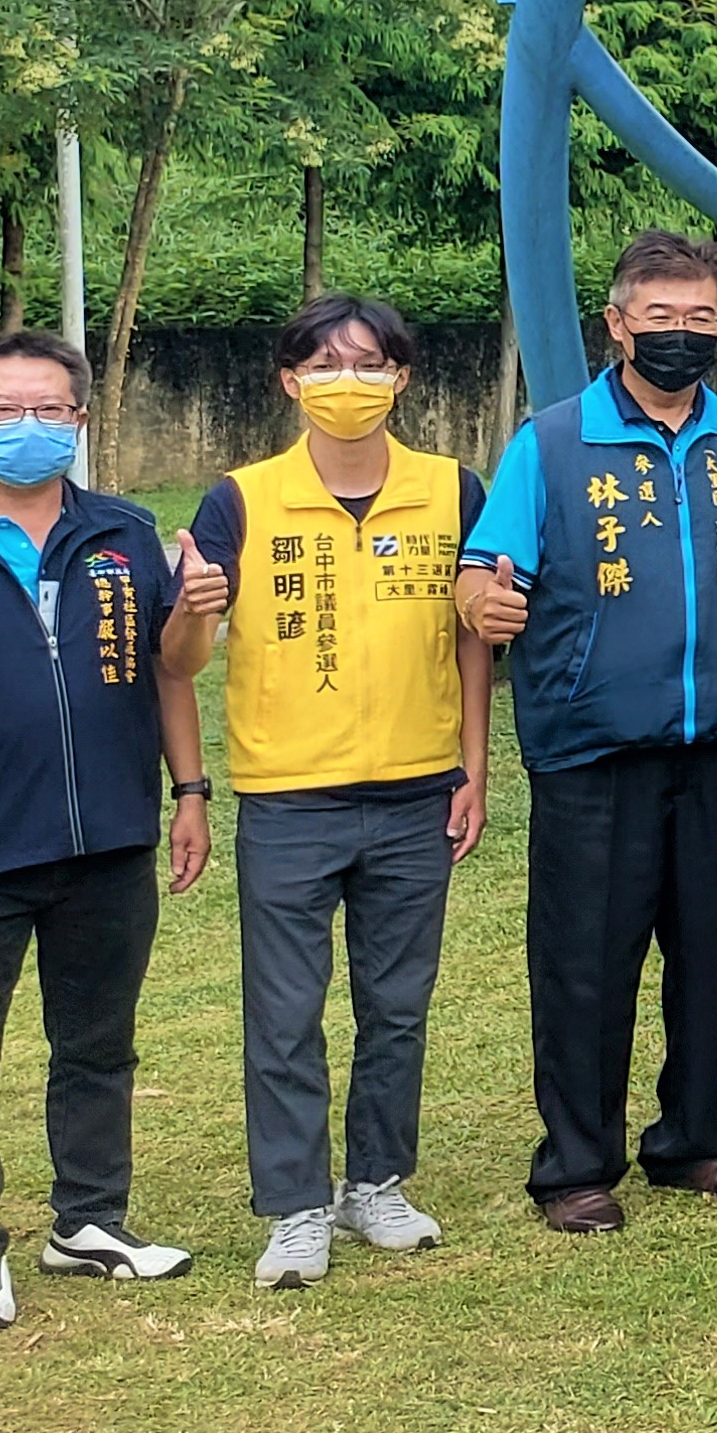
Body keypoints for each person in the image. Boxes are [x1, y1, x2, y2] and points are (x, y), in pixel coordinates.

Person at [456, 231, 717, 1234]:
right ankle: (575, 1166)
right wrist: (481, 602)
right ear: (617, 323)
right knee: (585, 962)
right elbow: (485, 568)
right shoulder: (552, 442)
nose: (681, 335)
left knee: (711, 957)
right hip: (592, 747)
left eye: (700, 318)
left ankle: (695, 1143)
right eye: (660, 318)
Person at [184, 297, 486, 1286]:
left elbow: (476, 639)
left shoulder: (452, 491)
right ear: (289, 381)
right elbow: (184, 652)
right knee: (284, 1015)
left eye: (368, 363)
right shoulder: (240, 500)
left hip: (415, 789)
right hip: (288, 795)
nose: (345, 380)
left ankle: (376, 1185)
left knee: (396, 1006)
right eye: (323, 364)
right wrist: (192, 614)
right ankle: (297, 1206)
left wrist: (474, 767)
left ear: (402, 379)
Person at [0, 330, 211, 1331]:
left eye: (50, 410)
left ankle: (89, 1223)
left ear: (81, 420)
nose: (28, 428)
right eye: (4, 411)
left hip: (107, 838)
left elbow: (169, 668)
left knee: (98, 1047)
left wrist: (188, 791)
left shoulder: (124, 532)